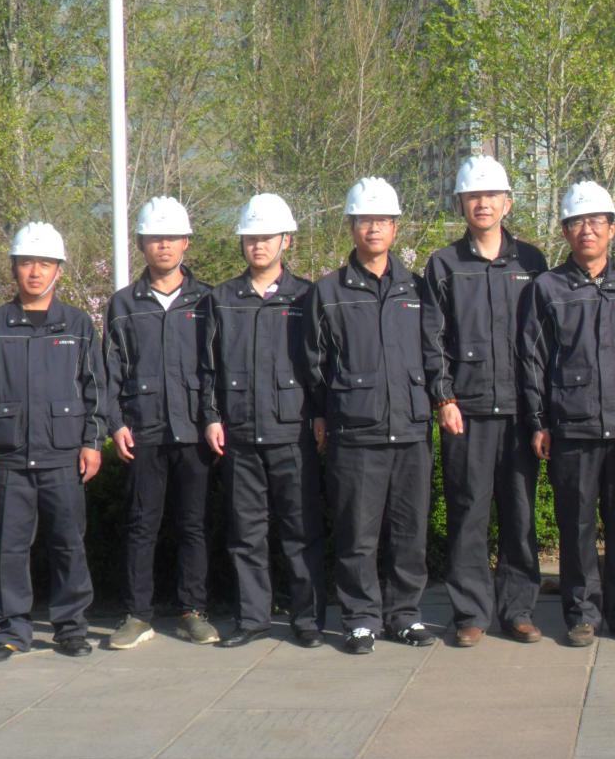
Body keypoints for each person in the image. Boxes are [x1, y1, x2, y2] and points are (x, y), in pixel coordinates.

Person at [0, 222, 104, 663]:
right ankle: (12, 631)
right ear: (14, 268)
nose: (35, 272)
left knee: (68, 544)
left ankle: (70, 629)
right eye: (26, 263)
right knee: (9, 548)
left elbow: (97, 390)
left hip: (63, 457)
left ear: (59, 269)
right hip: (9, 459)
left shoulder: (78, 325)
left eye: (44, 263)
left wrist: (92, 442)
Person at [305, 177, 437, 655]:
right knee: (357, 534)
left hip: (411, 429)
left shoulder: (417, 288)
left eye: (382, 220)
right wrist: (323, 413)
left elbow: (433, 352)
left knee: (409, 532)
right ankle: (361, 618)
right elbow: (314, 362)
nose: (374, 229)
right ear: (352, 227)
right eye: (365, 220)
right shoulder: (329, 291)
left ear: (396, 228)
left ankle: (405, 615)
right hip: (355, 432)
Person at [420, 155, 548, 646]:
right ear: (461, 204)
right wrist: (444, 397)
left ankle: (518, 610)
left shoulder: (531, 262)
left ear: (507, 203)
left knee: (520, 514)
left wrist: (542, 410)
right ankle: (471, 613)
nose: (483, 203)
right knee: (468, 512)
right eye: (473, 196)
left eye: (492, 195)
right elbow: (433, 337)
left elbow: (543, 340)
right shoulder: (444, 264)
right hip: (466, 411)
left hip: (520, 410)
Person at [520, 181, 615, 647]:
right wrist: (539, 422)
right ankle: (582, 614)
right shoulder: (547, 288)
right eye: (577, 222)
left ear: (612, 229)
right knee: (576, 527)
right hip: (571, 426)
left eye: (596, 222)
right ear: (565, 231)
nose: (587, 230)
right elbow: (532, 360)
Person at [201, 193, 327, 648]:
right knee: (246, 534)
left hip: (292, 432)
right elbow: (207, 367)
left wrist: (320, 414)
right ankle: (252, 619)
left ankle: (307, 620)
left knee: (301, 532)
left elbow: (318, 364)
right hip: (239, 433)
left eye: (267, 237)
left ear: (285, 241)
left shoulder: (307, 296)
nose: (257, 245)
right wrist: (212, 417)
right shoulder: (221, 299)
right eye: (250, 237)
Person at [104, 197, 218, 649]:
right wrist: (115, 423)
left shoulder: (207, 300)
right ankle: (137, 615)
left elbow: (217, 368)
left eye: (171, 237)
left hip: (194, 430)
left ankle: (193, 611)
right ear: (141, 244)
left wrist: (213, 418)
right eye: (154, 238)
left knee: (194, 524)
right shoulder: (123, 304)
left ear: (186, 242)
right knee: (141, 525)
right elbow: (111, 372)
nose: (163, 245)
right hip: (144, 430)